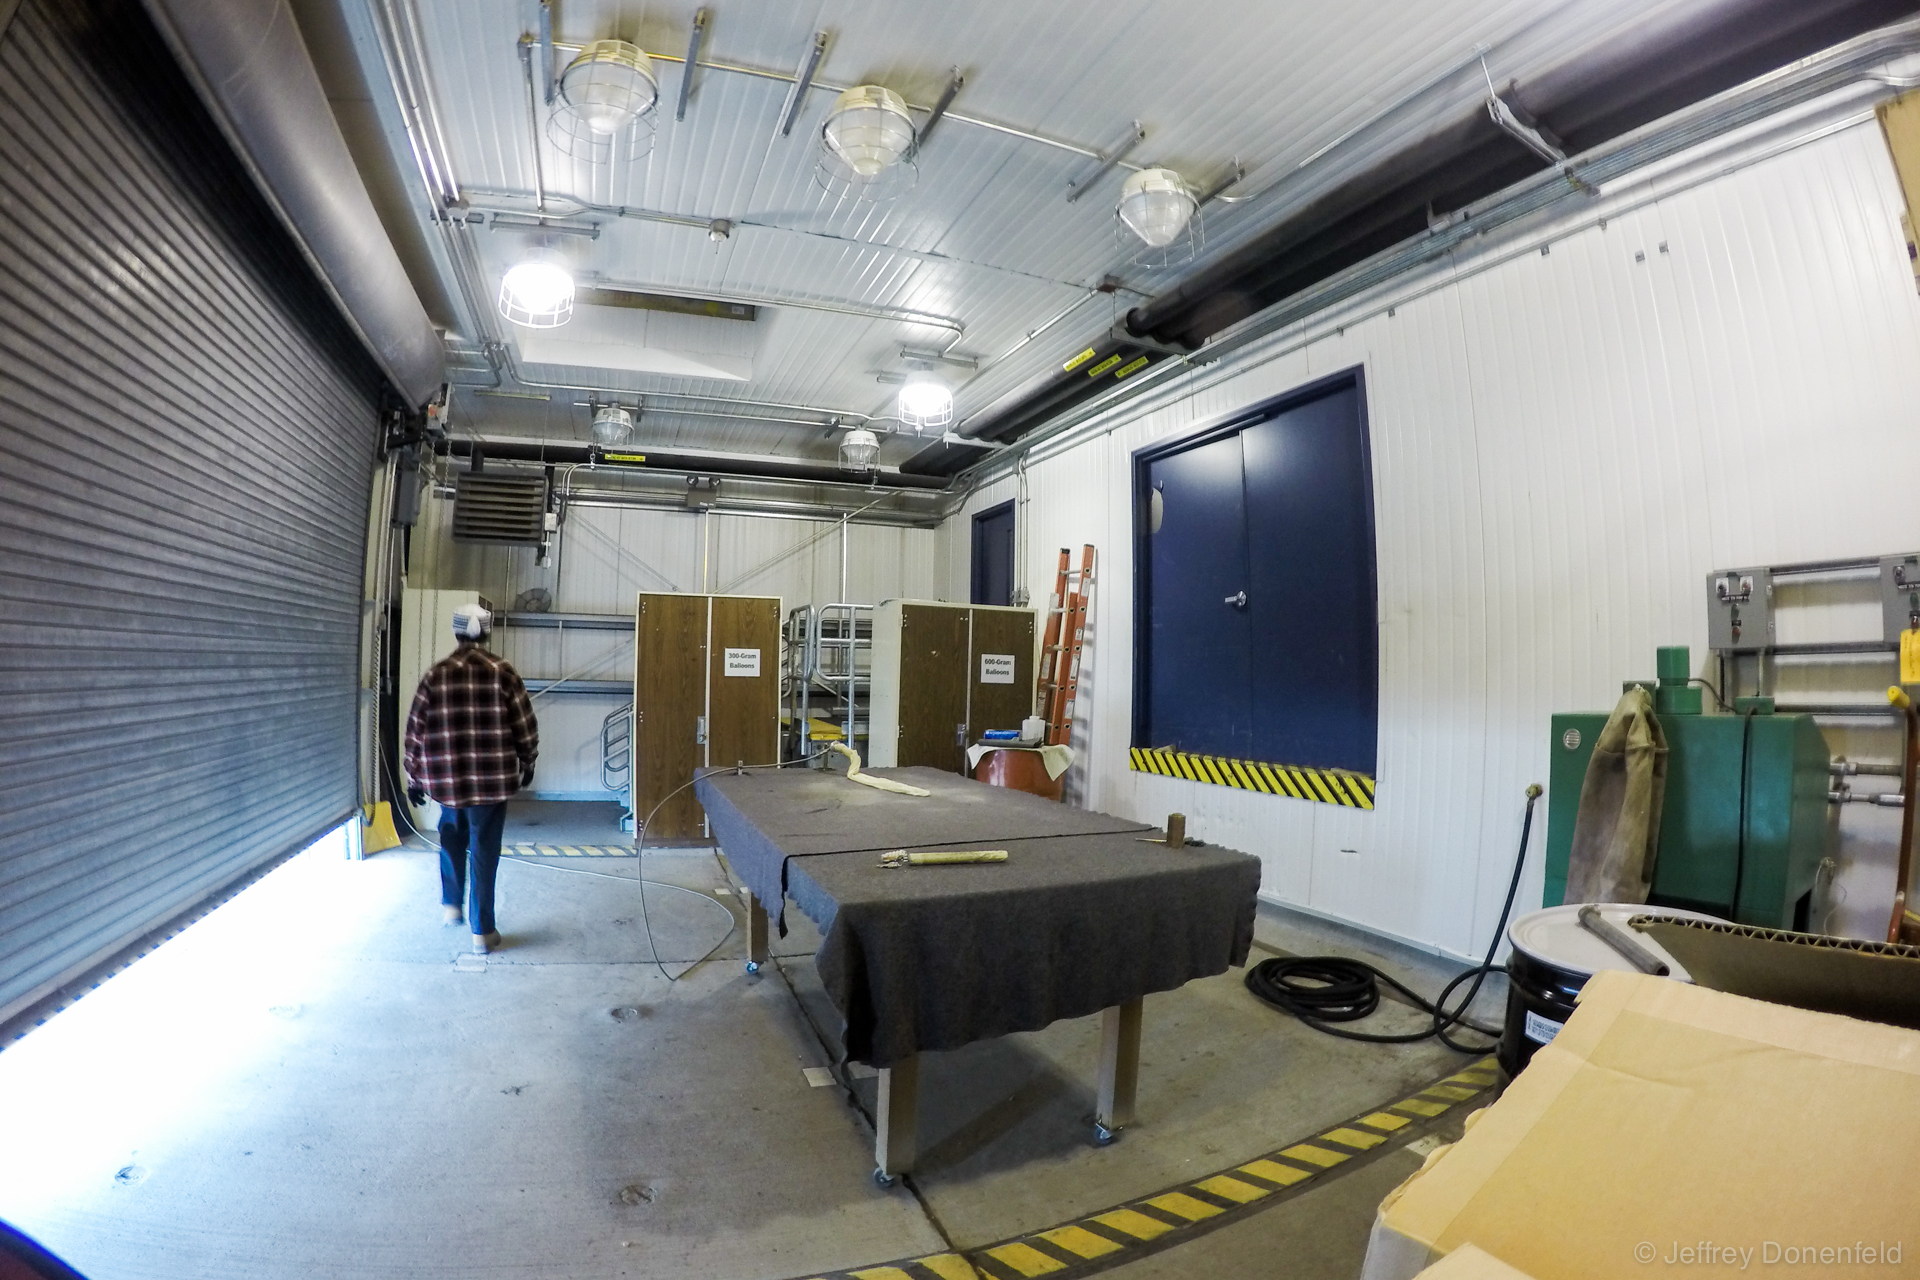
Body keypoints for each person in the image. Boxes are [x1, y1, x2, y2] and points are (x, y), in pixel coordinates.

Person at [402, 604, 538, 954]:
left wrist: (414, 778)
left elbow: (415, 731)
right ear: (488, 632)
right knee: (483, 852)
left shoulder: (436, 674)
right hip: (492, 783)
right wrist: (528, 761)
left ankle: (451, 905)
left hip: (447, 782)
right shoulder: (503, 672)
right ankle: (483, 932)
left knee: (450, 835)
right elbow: (524, 724)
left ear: (456, 632)